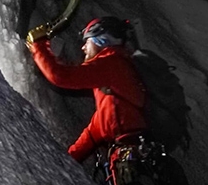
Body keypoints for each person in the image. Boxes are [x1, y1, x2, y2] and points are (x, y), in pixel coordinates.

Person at [27, 16, 146, 162]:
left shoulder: (112, 63)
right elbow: (95, 130)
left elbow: (61, 77)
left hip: (134, 156)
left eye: (87, 42)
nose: (83, 48)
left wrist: (38, 45)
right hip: (135, 154)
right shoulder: (112, 96)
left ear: (101, 41)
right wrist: (67, 162)